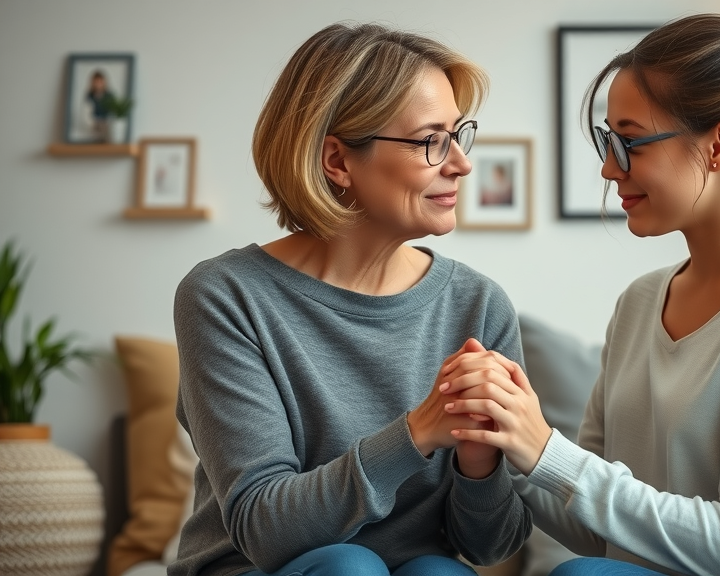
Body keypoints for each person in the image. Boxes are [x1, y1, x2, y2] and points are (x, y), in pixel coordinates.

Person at [440, 13, 720, 576]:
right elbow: (595, 530)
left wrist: (547, 451)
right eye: (606, 141)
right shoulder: (639, 303)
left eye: (630, 142)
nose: (610, 169)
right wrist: (503, 443)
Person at [169, 23, 532, 576]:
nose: (460, 162)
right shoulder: (225, 297)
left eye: (459, 134)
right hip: (260, 569)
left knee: (442, 574)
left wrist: (478, 464)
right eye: (431, 140)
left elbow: (488, 546)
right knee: (348, 568)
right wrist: (418, 433)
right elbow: (264, 531)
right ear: (337, 161)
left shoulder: (479, 306)